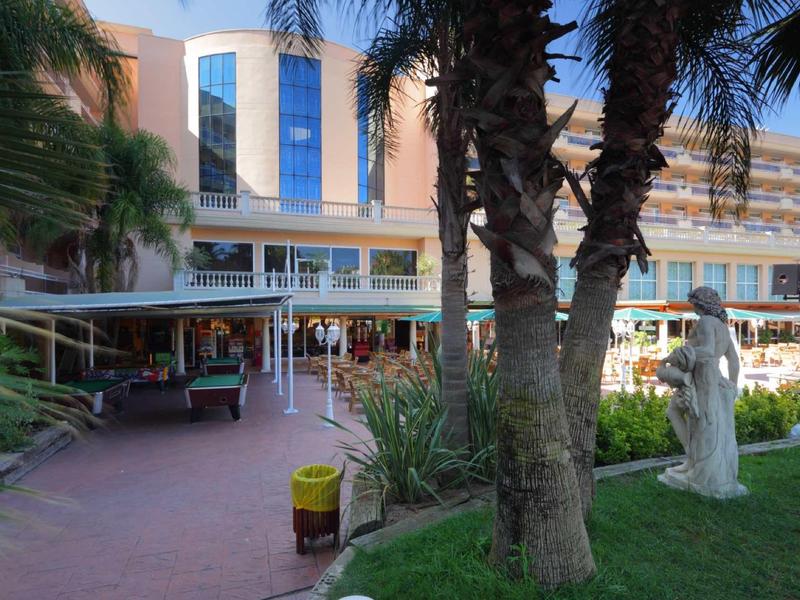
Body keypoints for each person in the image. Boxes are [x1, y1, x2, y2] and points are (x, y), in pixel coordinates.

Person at [656, 286, 748, 498]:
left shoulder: (706, 321)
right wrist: (732, 385)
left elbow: (707, 350)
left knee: (696, 420)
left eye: (693, 303)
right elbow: (733, 360)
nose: (692, 308)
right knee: (702, 422)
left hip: (701, 376)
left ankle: (695, 463)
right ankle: (693, 462)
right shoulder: (722, 326)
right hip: (714, 377)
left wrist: (677, 354)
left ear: (700, 304)